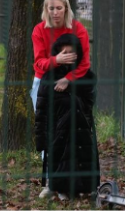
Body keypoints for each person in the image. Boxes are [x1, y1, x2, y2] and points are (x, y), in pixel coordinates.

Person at [30, 0, 91, 198]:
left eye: (59, 8)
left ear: (66, 8)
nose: (55, 12)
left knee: (69, 134)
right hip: (44, 85)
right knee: (48, 132)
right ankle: (50, 182)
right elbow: (39, 62)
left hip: (72, 84)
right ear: (46, 10)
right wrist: (57, 60)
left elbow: (84, 63)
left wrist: (68, 79)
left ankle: (72, 181)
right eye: (51, 8)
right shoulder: (39, 30)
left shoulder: (78, 29)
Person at [34, 34, 100, 201]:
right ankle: (59, 187)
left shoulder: (87, 76)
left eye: (72, 53)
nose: (68, 57)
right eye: (64, 53)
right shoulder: (49, 77)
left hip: (81, 127)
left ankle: (86, 188)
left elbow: (88, 101)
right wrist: (41, 140)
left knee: (83, 155)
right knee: (60, 157)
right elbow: (41, 111)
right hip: (58, 129)